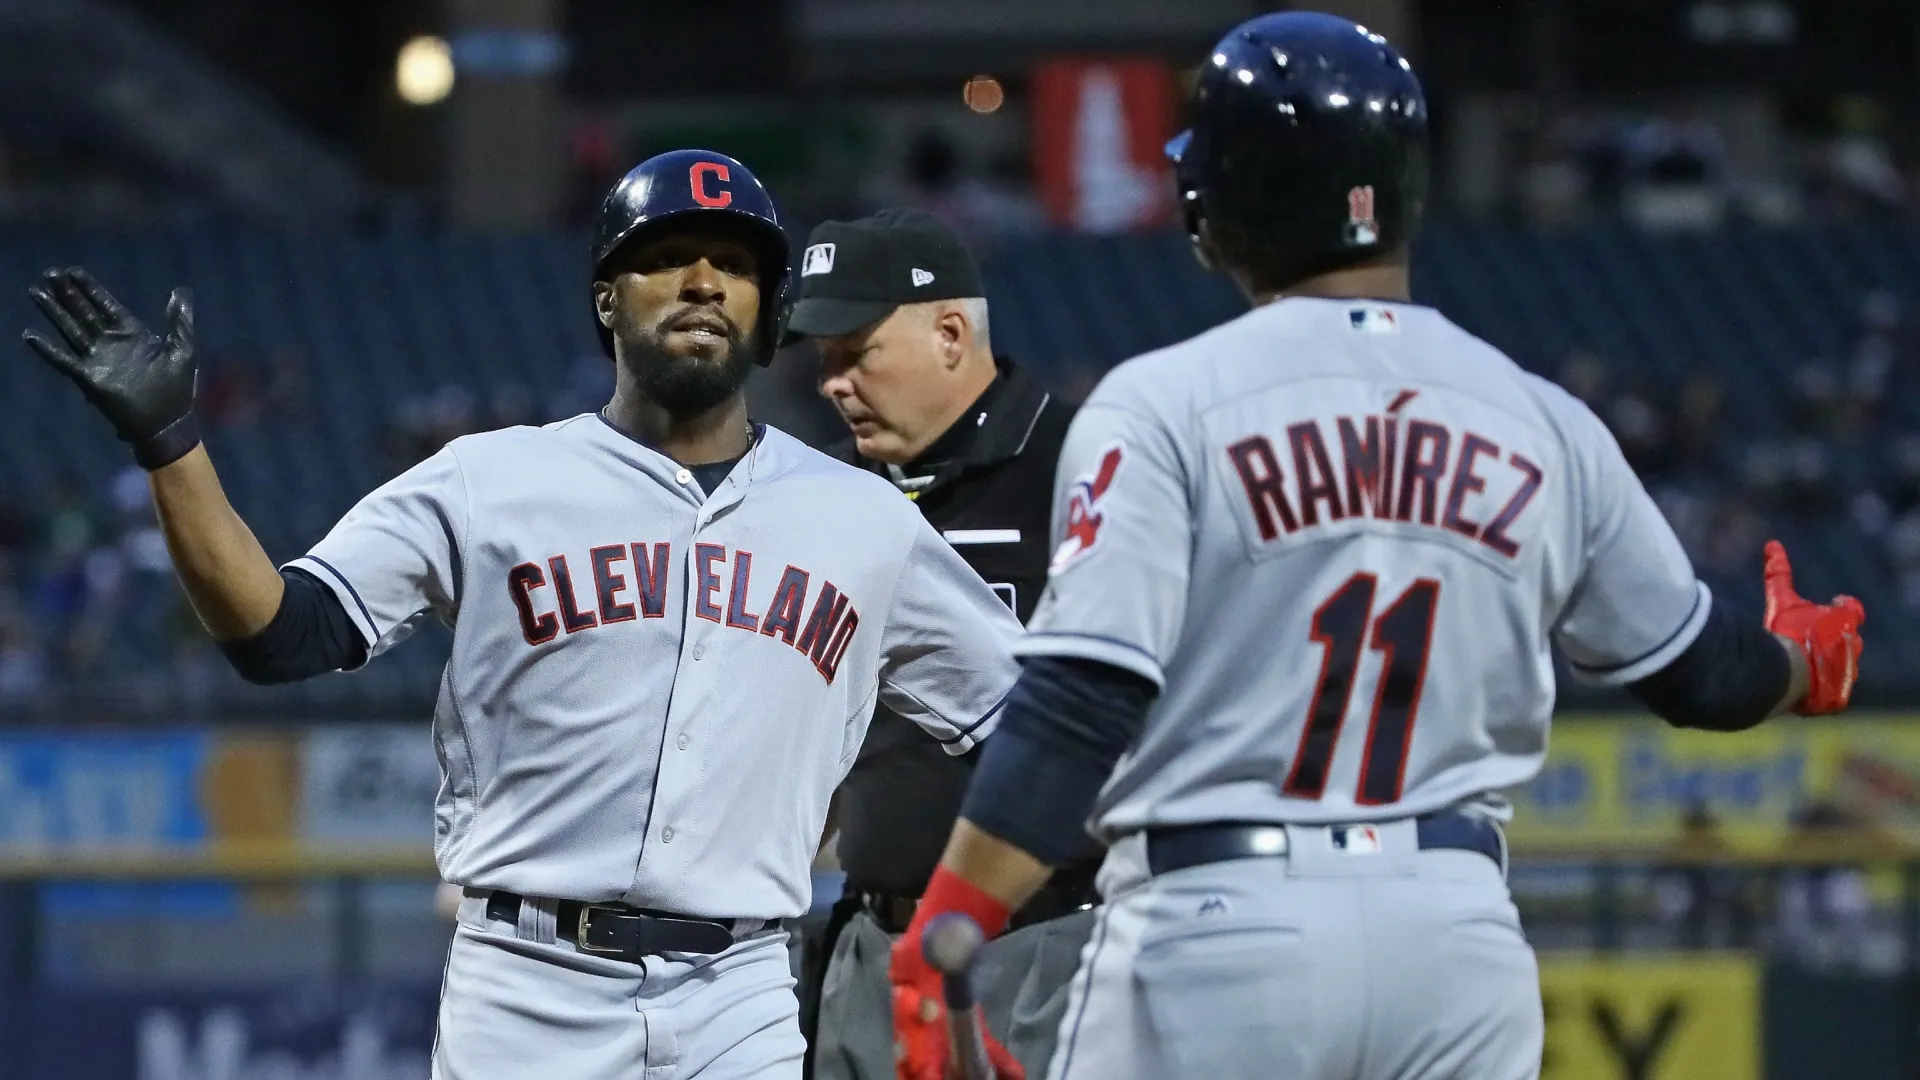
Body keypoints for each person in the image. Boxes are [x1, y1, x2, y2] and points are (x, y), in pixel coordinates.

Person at [885, 13, 1868, 1080]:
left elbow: (1078, 701)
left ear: (1221, 201)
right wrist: (1800, 663)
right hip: (1456, 941)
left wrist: (950, 926)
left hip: (1220, 925)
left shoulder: (1164, 403)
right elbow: (1704, 677)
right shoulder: (1540, 416)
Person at [20, 149, 1025, 1080]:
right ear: (606, 300)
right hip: (526, 991)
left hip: (744, 996)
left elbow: (1037, 722)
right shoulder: (488, 480)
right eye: (667, 257)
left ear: (769, 316)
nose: (703, 280)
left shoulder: (861, 518)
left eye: (735, 262)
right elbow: (282, 634)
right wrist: (171, 445)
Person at [781, 209, 1089, 1080]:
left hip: (1048, 940)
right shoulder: (824, 492)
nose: (834, 383)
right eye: (822, 360)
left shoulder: (1083, 468)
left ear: (951, 333)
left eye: (856, 352)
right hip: (868, 942)